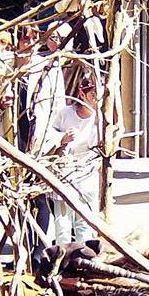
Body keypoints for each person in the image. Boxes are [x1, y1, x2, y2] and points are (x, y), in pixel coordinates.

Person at [48, 78, 101, 244]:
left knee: (84, 222)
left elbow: (98, 146)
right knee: (62, 222)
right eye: (93, 95)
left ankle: (82, 259)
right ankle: (63, 259)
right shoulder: (65, 113)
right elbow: (48, 134)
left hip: (87, 172)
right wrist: (62, 139)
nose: (96, 99)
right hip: (65, 171)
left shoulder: (98, 118)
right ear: (82, 94)